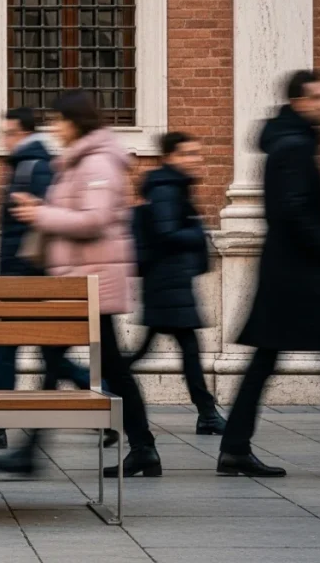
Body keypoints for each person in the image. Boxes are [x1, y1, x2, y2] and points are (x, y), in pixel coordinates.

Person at [0, 90, 161, 478]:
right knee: (93, 365)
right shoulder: (79, 161)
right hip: (79, 282)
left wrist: (41, 214)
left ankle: (33, 453)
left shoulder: (98, 163)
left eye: (59, 121)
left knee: (79, 364)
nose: (55, 129)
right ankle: (140, 448)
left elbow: (94, 220)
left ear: (75, 122)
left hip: (92, 284)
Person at [218, 70, 320, 478]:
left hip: (291, 270)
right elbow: (291, 209)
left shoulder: (292, 143)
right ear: (300, 102)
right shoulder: (294, 147)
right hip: (300, 274)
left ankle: (235, 447)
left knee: (271, 360)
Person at [0, 106, 112, 451]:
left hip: (24, 276)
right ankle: (106, 398)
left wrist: (22, 273)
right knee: (41, 351)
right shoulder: (26, 164)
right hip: (20, 276)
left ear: (23, 133)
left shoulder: (33, 165)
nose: (4, 140)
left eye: (9, 133)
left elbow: (45, 220)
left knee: (11, 349)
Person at [127, 132, 226, 435]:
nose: (195, 159)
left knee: (164, 351)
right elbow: (166, 232)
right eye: (188, 154)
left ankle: (207, 414)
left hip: (170, 283)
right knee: (183, 350)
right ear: (170, 157)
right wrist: (197, 231)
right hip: (167, 283)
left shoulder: (170, 186)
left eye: (197, 153)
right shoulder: (167, 187)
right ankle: (207, 414)